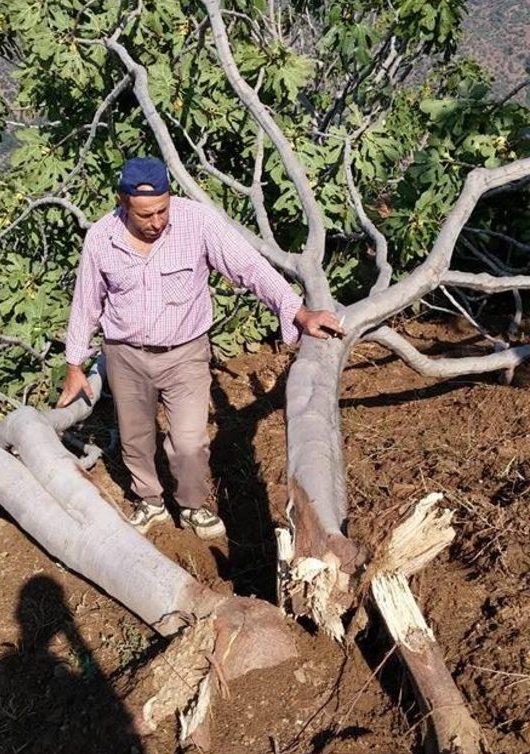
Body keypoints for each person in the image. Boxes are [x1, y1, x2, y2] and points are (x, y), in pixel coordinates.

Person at [58, 156, 344, 539]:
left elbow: (250, 268)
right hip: (124, 354)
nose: (156, 222)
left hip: (185, 353)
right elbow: (86, 303)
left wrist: (298, 312)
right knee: (135, 438)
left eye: (162, 210)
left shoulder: (198, 222)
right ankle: (150, 501)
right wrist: (74, 365)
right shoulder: (100, 239)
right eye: (145, 215)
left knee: (189, 444)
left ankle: (193, 506)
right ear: (122, 203)